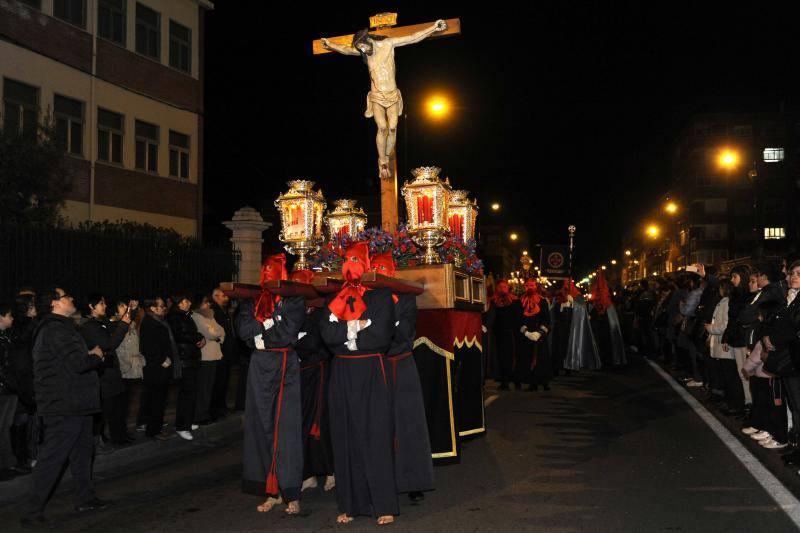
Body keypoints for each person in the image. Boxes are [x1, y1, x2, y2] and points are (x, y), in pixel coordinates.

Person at [318, 242, 398, 525]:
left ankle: (383, 503)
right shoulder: (334, 297)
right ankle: (350, 503)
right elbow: (327, 334)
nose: (350, 263)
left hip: (371, 370)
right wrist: (357, 326)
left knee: (374, 435)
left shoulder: (381, 297)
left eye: (356, 259)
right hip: (341, 371)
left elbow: (380, 336)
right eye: (347, 259)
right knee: (345, 435)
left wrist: (347, 333)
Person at [21, 288, 108, 529]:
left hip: (75, 402)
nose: (71, 298)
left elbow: (67, 361)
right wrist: (96, 356)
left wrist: (87, 355)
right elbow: (78, 363)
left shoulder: (59, 327)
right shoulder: (56, 328)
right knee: (53, 457)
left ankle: (85, 498)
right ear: (55, 304)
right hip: (64, 404)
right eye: (66, 296)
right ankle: (32, 511)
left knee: (82, 453)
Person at [236, 253, 304, 516]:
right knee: (261, 427)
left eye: (271, 271)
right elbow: (243, 331)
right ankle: (270, 490)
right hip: (259, 367)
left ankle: (291, 492)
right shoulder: (251, 300)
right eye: (264, 271)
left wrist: (262, 331)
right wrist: (267, 325)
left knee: (284, 430)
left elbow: (287, 333)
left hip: (284, 366)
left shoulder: (293, 298)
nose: (266, 275)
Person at [372, 251, 433, 502]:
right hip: (376, 367)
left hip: (400, 366)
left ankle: (412, 480)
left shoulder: (406, 299)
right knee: (377, 425)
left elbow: (403, 334)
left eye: (383, 270)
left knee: (408, 425)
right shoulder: (365, 298)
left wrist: (373, 333)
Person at [290, 269, 335, 494]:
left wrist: (296, 341)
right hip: (300, 373)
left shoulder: (321, 309)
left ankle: (330, 471)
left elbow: (318, 342)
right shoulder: (295, 310)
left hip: (319, 374)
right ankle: (307, 474)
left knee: (322, 422)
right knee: (300, 424)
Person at [79, 294, 132, 448]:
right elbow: (109, 344)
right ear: (91, 306)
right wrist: (123, 325)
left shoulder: (100, 322)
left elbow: (114, 329)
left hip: (110, 371)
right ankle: (98, 441)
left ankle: (119, 437)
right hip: (102, 373)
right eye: (101, 303)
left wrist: (128, 316)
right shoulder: (88, 326)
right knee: (105, 410)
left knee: (117, 407)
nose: (105, 306)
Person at [166, 294, 205, 441]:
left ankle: (187, 422)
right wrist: (197, 338)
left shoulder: (185, 315)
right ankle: (182, 426)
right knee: (187, 393)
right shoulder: (175, 317)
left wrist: (199, 338)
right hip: (184, 360)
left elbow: (192, 333)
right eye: (185, 301)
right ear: (178, 303)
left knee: (190, 392)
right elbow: (180, 335)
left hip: (190, 358)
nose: (189, 303)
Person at [138, 297, 175, 440]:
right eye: (161, 306)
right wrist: (162, 359)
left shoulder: (160, 321)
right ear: (153, 308)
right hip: (156, 369)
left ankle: (155, 427)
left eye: (164, 305)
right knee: (156, 401)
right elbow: (147, 348)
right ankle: (153, 431)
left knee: (159, 400)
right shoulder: (149, 323)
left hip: (162, 368)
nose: (164, 307)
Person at [10, 295, 37, 475]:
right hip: (25, 381)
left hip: (21, 381)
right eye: (33, 305)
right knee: (24, 421)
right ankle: (23, 458)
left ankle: (23, 457)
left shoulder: (18, 327)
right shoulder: (29, 326)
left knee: (23, 421)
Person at [721, 265, 752, 415]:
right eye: (732, 277)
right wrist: (726, 337)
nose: (732, 280)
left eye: (735, 277)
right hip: (734, 337)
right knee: (739, 374)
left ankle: (748, 405)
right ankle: (743, 404)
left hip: (742, 340)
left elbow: (742, 320)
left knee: (744, 374)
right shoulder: (736, 295)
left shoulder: (748, 295)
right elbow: (731, 320)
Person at [192, 294, 225, 426]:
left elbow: (222, 330)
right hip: (205, 356)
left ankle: (205, 413)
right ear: (199, 304)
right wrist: (216, 334)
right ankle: (199, 415)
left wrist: (217, 335)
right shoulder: (197, 316)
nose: (208, 305)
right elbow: (209, 333)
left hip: (215, 354)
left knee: (210, 386)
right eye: (206, 302)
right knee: (203, 388)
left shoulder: (209, 315)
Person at [486, 279, 521, 390]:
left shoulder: (515, 301)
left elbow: (518, 317)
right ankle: (504, 381)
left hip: (511, 333)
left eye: (505, 287)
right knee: (500, 358)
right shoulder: (493, 301)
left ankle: (516, 380)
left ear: (508, 288)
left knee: (512, 358)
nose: (502, 289)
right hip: (497, 333)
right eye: (500, 287)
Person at [210, 287, 237, 419]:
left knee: (224, 381)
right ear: (215, 297)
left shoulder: (223, 311)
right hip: (220, 352)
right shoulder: (214, 311)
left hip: (226, 352)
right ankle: (216, 410)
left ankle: (221, 407)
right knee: (218, 382)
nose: (226, 298)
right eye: (223, 296)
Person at [563, 279, 601, 371]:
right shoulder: (564, 295)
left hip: (574, 326)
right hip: (566, 324)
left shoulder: (578, 297)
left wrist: (572, 304)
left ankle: (575, 362)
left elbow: (582, 310)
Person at [0, 301, 19, 480]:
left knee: (6, 426)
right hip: (4, 389)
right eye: (9, 315)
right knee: (3, 426)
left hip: (9, 388)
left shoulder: (6, 336)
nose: (12, 318)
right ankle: (5, 464)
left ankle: (8, 462)